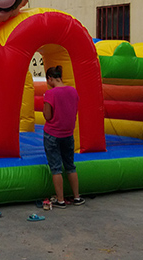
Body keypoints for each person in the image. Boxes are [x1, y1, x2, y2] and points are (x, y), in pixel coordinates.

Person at [42, 66, 85, 208]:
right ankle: (77, 197)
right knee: (70, 166)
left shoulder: (50, 94)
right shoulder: (73, 91)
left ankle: (60, 200)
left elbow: (48, 116)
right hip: (68, 134)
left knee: (56, 168)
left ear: (50, 78)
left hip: (53, 134)